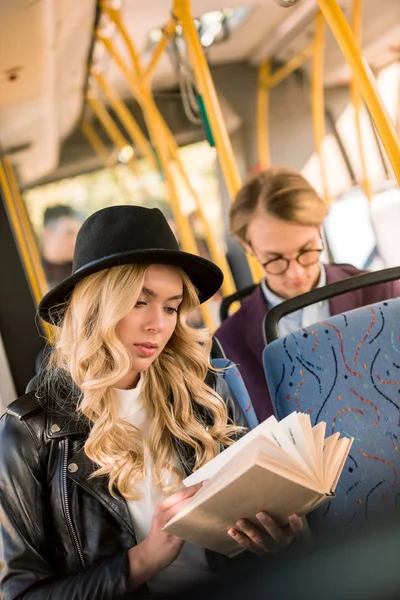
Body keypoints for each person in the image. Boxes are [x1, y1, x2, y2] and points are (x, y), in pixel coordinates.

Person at [0, 205, 303, 599]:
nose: (158, 323)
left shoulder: (207, 388)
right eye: (139, 302)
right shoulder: (29, 432)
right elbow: (19, 594)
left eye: (171, 306)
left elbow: (253, 522)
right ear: (95, 307)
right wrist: (143, 560)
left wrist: (273, 541)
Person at [215, 166, 400, 423]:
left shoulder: (380, 293)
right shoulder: (229, 343)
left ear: (319, 228)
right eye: (275, 259)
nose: (296, 273)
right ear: (248, 247)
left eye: (307, 250)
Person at [41, 204, 85, 288]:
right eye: (69, 233)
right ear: (48, 234)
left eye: (78, 234)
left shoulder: (81, 270)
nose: (75, 241)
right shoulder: (34, 272)